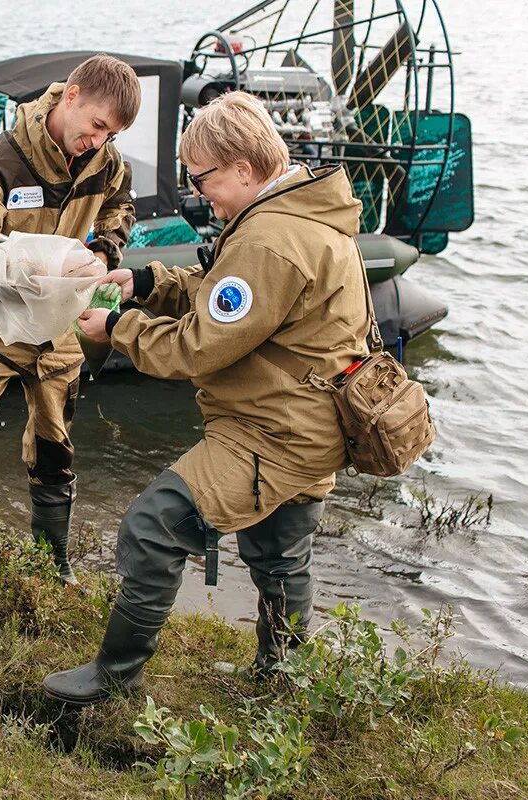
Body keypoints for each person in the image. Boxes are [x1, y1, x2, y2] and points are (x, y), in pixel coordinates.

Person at [43, 91, 372, 705]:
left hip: (275, 432)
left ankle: (116, 677)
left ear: (243, 169)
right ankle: (284, 682)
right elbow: (229, 295)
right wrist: (145, 282)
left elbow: (199, 347)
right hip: (313, 424)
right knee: (278, 551)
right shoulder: (299, 217)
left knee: (153, 526)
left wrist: (117, 330)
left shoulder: (269, 239)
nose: (200, 194)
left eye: (203, 179)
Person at [0, 54, 140, 642]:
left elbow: (121, 207)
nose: (97, 141)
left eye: (111, 135)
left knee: (56, 448)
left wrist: (105, 250)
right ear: (69, 96)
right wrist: (24, 268)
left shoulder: (107, 162)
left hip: (60, 330)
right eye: (96, 125)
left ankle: (53, 565)